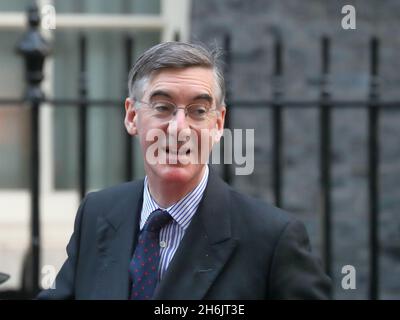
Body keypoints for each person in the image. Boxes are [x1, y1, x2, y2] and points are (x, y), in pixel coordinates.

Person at [38, 42, 331, 300]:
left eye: (198, 111)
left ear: (218, 125)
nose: (179, 129)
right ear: (131, 116)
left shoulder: (271, 239)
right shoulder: (97, 213)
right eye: (163, 107)